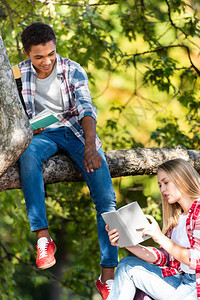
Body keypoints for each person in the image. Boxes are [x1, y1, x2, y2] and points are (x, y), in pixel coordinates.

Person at [15, 22, 118, 299]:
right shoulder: (16, 73)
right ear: (26, 53)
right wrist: (27, 129)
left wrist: (90, 147)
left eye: (51, 53)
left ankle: (108, 275)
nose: (47, 61)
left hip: (75, 132)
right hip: (42, 136)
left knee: (106, 199)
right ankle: (43, 238)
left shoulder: (72, 68)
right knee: (27, 157)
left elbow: (86, 108)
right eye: (39, 56)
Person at [106, 158, 200, 300]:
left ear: (181, 178)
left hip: (195, 286)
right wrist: (126, 243)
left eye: (166, 182)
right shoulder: (177, 218)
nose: (162, 189)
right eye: (160, 185)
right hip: (180, 280)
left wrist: (159, 237)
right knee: (126, 265)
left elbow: (197, 259)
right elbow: (164, 257)